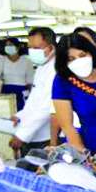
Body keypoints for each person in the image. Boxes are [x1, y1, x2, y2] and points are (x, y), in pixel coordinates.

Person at [51, 33, 96, 157]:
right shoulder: (63, 81)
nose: (78, 61)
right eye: (71, 59)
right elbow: (67, 126)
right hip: (92, 145)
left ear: (91, 52)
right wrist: (85, 156)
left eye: (82, 55)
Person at [9, 27, 58, 157]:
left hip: (45, 136)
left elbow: (47, 107)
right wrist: (20, 116)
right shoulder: (42, 66)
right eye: (30, 48)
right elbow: (34, 100)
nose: (32, 52)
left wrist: (22, 135)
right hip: (33, 132)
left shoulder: (56, 70)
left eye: (36, 48)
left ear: (51, 47)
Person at [0, 38, 34, 110]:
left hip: (22, 92)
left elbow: (30, 81)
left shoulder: (26, 61)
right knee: (7, 112)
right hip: (6, 92)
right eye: (6, 45)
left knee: (22, 112)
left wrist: (32, 96)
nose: (8, 47)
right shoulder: (1, 60)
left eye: (10, 45)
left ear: (18, 47)